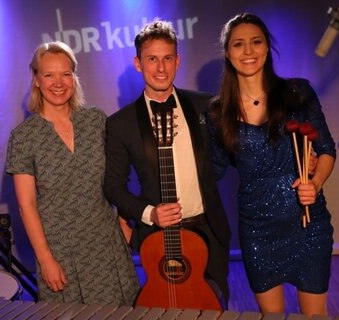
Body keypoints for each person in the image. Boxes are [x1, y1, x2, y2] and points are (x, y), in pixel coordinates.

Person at [207, 13, 336, 318]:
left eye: (256, 42)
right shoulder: (217, 113)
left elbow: (326, 149)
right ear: (228, 53)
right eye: (238, 44)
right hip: (258, 229)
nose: (248, 51)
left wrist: (314, 184)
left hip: (308, 223)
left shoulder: (297, 93)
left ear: (266, 48)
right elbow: (212, 170)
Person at [103, 20, 232, 306]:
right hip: (158, 239)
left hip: (209, 232)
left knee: (213, 309)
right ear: (138, 63)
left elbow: (234, 151)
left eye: (167, 58)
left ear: (178, 61)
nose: (161, 68)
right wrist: (149, 213)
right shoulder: (120, 124)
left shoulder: (206, 106)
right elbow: (113, 186)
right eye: (152, 59)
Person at [6, 41, 139, 305]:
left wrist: (124, 223)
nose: (59, 82)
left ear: (74, 78)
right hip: (59, 251)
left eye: (66, 74)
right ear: (36, 80)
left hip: (105, 243)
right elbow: (26, 205)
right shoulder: (23, 137)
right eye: (49, 74)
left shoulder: (96, 120)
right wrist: (45, 260)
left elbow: (115, 180)